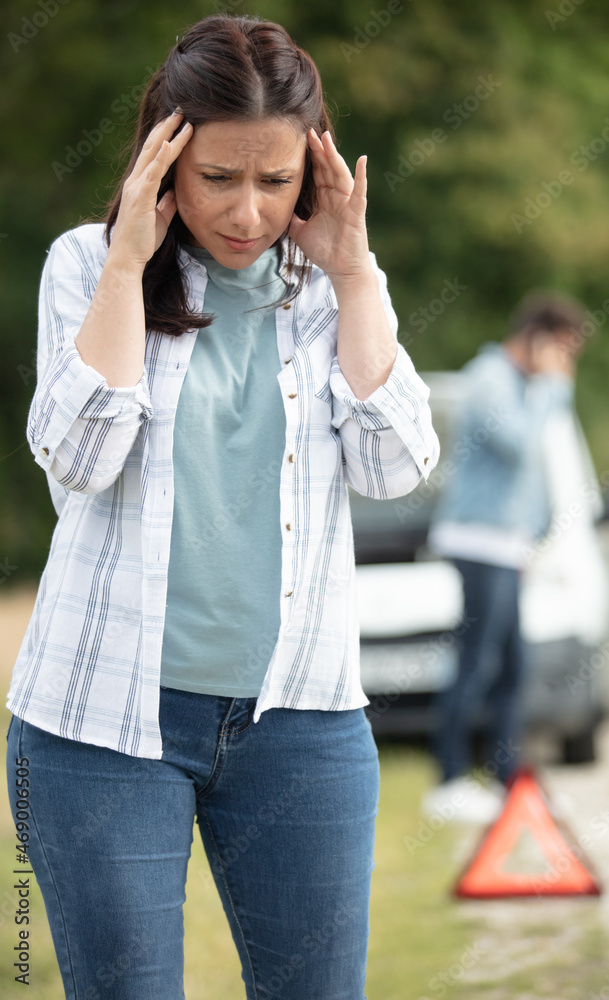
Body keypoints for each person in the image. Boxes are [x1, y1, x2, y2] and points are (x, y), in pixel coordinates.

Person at [5, 14, 439, 999]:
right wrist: (126, 265)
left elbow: (395, 462)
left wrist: (358, 272)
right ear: (166, 156)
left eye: (274, 180)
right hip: (100, 722)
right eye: (217, 179)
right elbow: (76, 455)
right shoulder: (84, 264)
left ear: (312, 172)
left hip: (301, 718)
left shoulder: (333, 289)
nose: (246, 211)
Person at [422, 291, 588, 823]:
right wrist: (554, 388)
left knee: (515, 665)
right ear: (539, 339)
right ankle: (447, 782)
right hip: (478, 543)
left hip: (507, 546)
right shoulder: (491, 378)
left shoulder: (520, 385)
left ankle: (503, 779)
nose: (566, 365)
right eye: (562, 351)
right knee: (478, 661)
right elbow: (517, 444)